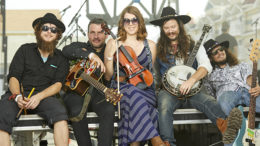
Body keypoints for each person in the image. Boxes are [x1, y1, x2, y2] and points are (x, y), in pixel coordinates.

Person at [150, 6, 242, 145]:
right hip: (169, 92)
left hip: (192, 89)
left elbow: (206, 65)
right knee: (163, 106)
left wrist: (191, 80)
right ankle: (167, 143)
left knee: (209, 102)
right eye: (166, 28)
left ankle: (231, 135)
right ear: (162, 29)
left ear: (179, 26)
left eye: (173, 26)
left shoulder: (193, 44)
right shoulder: (157, 48)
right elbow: (151, 70)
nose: (170, 30)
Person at [0, 13, 69, 146]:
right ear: (38, 31)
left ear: (57, 35)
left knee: (60, 114)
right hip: (19, 94)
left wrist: (38, 97)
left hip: (44, 97)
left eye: (53, 30)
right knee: (2, 114)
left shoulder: (61, 58)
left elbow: (57, 85)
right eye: (45, 28)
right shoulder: (24, 50)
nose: (49, 31)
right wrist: (17, 96)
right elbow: (13, 77)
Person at [104, 6, 166, 146]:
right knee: (136, 97)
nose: (131, 24)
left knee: (137, 101)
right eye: (127, 21)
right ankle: (156, 140)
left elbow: (147, 74)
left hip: (145, 90)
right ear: (122, 23)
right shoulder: (113, 43)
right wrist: (109, 57)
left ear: (140, 22)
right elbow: (108, 77)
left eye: (134, 20)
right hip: (121, 89)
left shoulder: (150, 45)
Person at [62, 18, 115, 146]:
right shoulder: (81, 47)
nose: (96, 36)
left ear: (106, 34)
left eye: (100, 32)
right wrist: (91, 55)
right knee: (76, 110)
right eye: (92, 32)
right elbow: (66, 50)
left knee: (109, 109)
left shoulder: (110, 51)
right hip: (76, 93)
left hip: (99, 93)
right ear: (88, 34)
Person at [203, 39, 260, 116]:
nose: (220, 52)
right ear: (210, 58)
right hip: (227, 94)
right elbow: (211, 95)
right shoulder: (208, 74)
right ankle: (241, 126)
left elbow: (249, 78)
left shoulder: (241, 65)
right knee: (224, 102)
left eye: (221, 49)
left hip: (247, 91)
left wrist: (256, 87)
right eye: (215, 52)